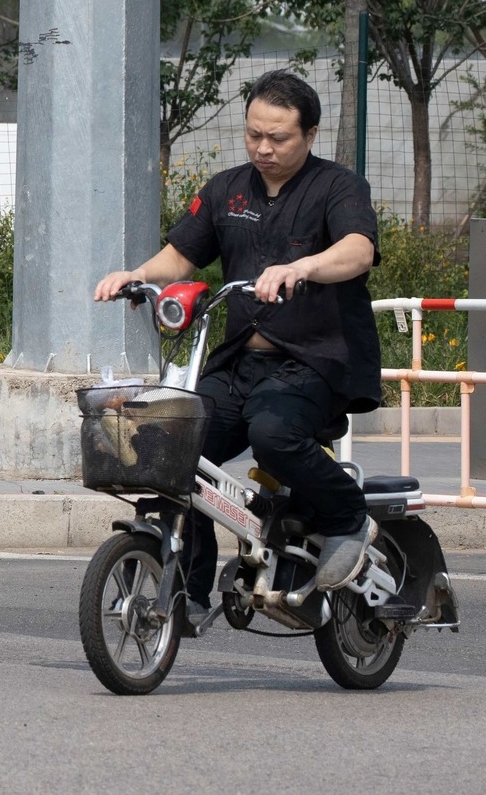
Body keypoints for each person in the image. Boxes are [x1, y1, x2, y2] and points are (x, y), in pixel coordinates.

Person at [92, 69, 383, 613]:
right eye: (254, 135)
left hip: (312, 363)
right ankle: (186, 589)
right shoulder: (227, 189)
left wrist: (305, 266)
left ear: (310, 134)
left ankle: (347, 516)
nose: (263, 148)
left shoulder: (338, 186)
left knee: (273, 434)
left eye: (278, 138)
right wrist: (136, 275)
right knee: (172, 448)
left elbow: (359, 250)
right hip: (236, 363)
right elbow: (181, 255)